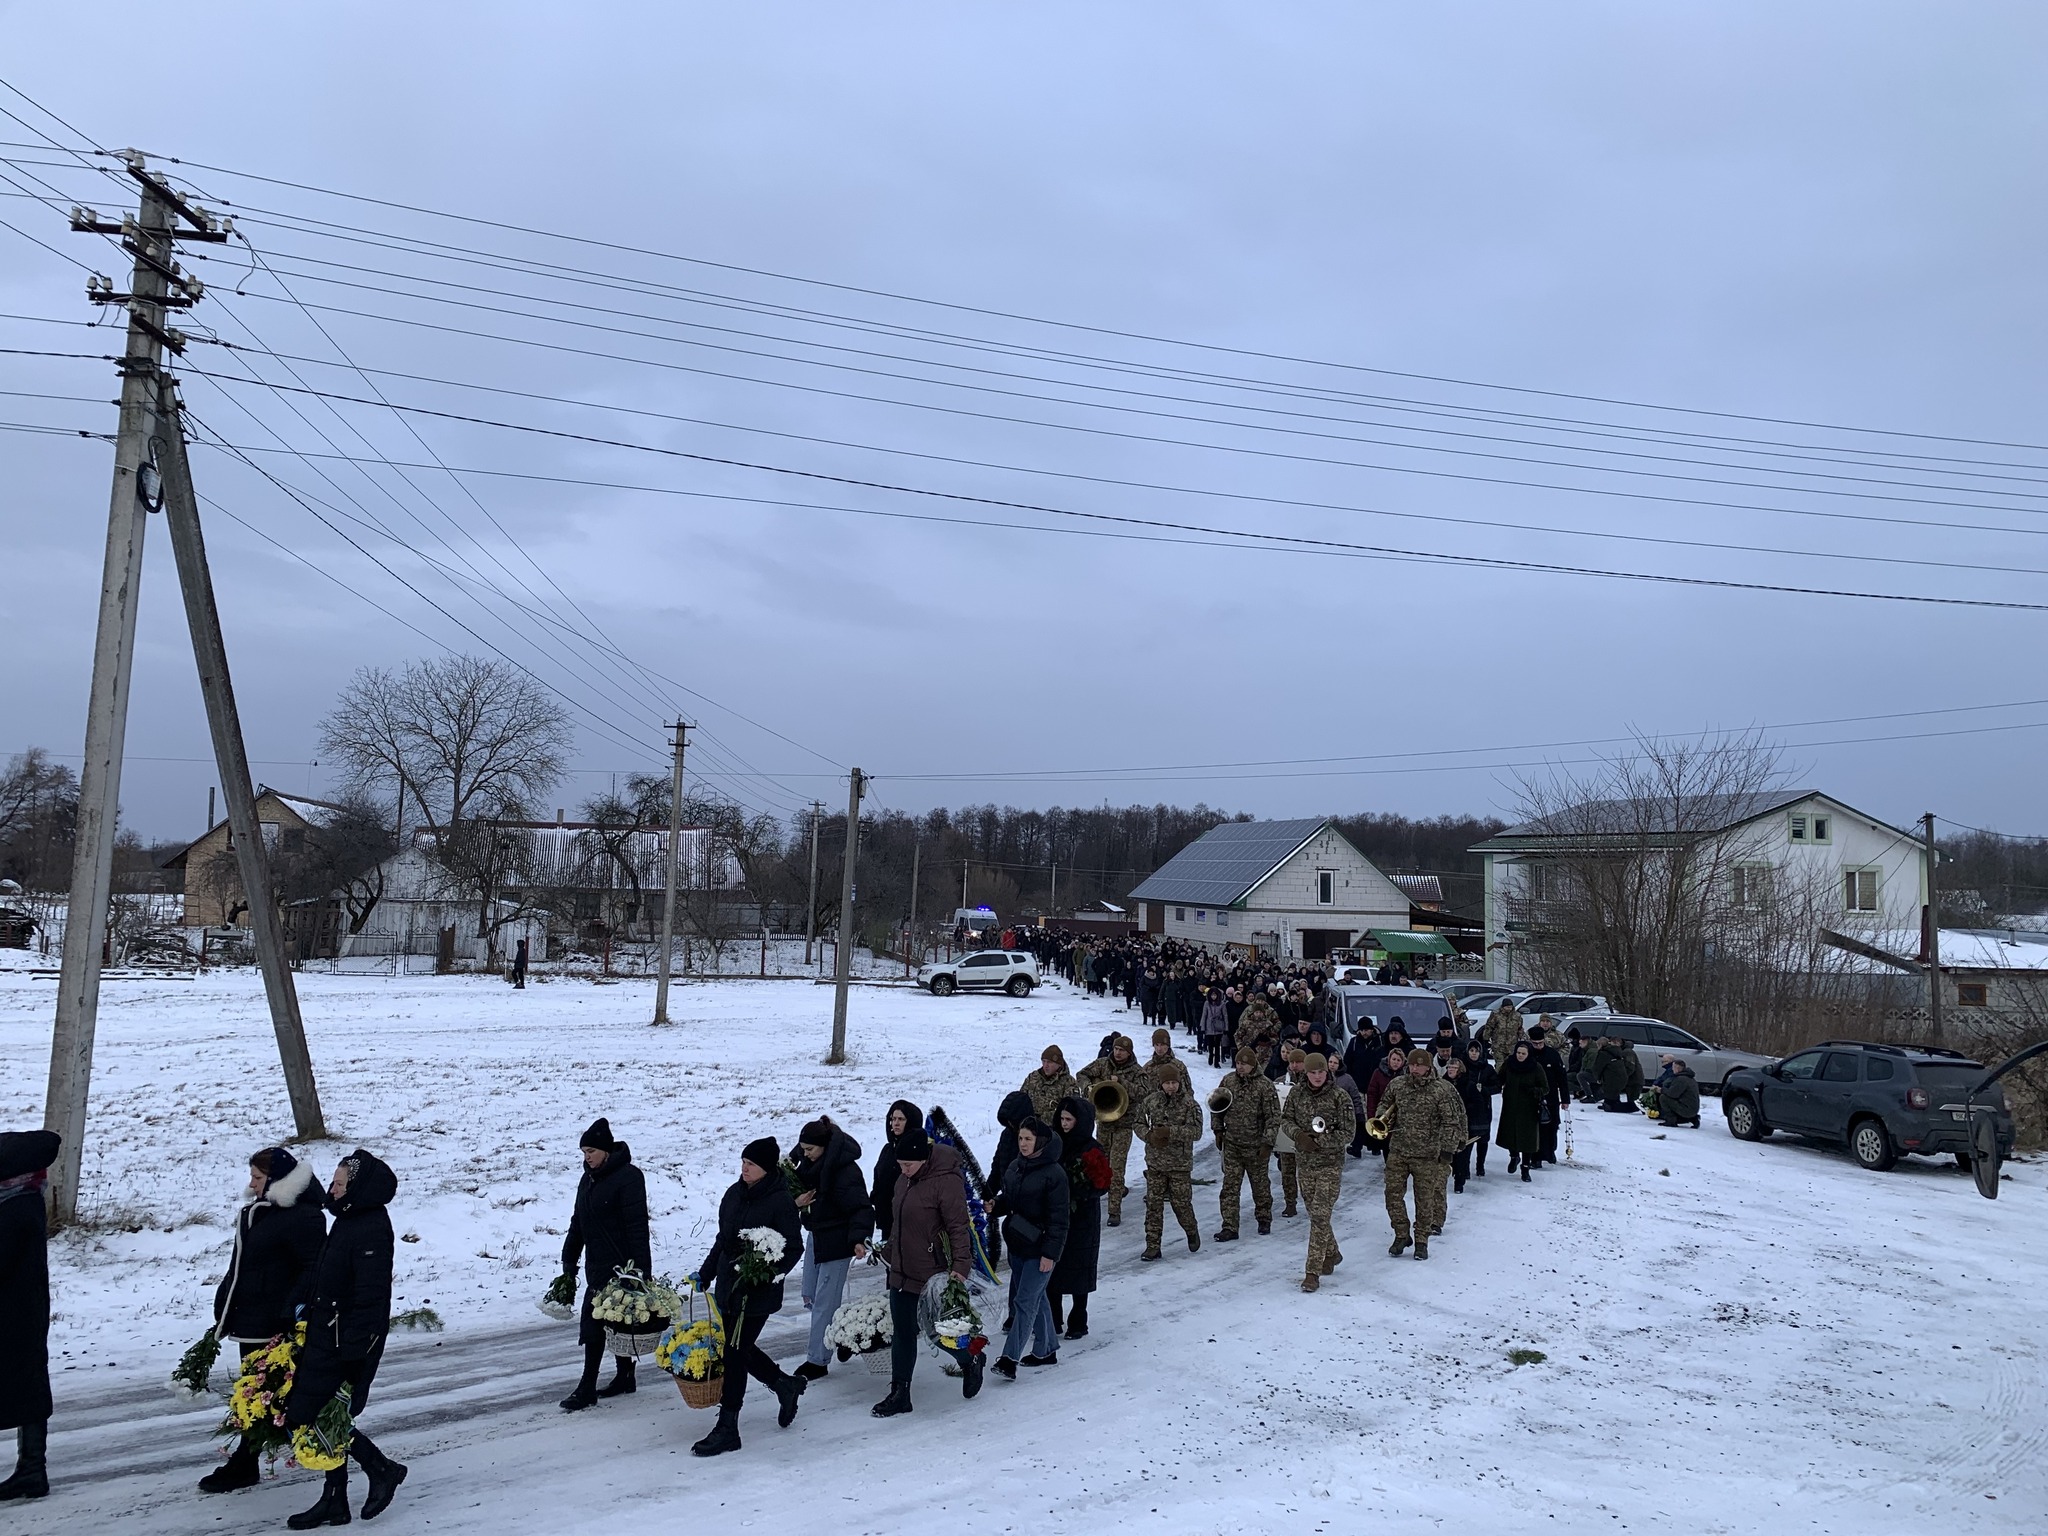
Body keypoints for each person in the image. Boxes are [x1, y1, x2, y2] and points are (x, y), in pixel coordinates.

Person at [284, 1150, 406, 1530]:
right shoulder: (349, 1219)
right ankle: (335, 1500)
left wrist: (355, 1355)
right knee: (317, 1413)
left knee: (320, 1414)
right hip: (326, 1333)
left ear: (357, 1188)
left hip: (344, 1343)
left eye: (338, 1184)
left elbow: (370, 1299)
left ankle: (381, 1468)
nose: (331, 1190)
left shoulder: (368, 1227)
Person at [202, 1147, 325, 1493]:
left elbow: (313, 1269)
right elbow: (244, 1265)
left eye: (258, 1177)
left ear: (277, 1180)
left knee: (263, 1395)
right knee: (255, 1394)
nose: (252, 1184)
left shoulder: (303, 1217)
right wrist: (226, 1299)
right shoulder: (264, 1213)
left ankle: (247, 1462)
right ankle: (247, 1460)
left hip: (273, 1323)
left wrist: (289, 1313)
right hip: (252, 1318)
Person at [689, 1137, 806, 1457]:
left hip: (757, 1293)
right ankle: (785, 1385)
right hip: (730, 1287)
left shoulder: (780, 1202)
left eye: (751, 1164)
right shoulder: (733, 1194)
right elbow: (723, 1240)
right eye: (743, 1162)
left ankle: (728, 1427)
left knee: (735, 1352)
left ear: (766, 1169)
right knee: (738, 1347)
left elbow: (793, 1248)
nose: (744, 1168)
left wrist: (765, 1273)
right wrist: (707, 1272)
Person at [873, 1125, 986, 1417]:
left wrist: (960, 1266)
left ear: (923, 1159)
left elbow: (958, 1226)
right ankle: (900, 1393)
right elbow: (900, 1223)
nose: (904, 1170)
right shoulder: (904, 1180)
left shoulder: (946, 1182)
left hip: (932, 1273)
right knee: (903, 1333)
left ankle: (970, 1358)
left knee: (940, 1332)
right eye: (900, 1165)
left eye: (908, 1164)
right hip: (901, 1268)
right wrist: (886, 1251)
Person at [559, 1118, 652, 1412]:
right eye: (584, 1152)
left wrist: (640, 1273)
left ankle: (587, 1386)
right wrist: (568, 1259)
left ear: (606, 1151)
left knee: (597, 1324)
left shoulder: (629, 1178)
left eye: (591, 1151)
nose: (587, 1157)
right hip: (596, 1264)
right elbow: (578, 1222)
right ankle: (625, 1376)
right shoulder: (587, 1180)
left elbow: (638, 1228)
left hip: (622, 1265)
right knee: (610, 1321)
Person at [0, 1130, 58, 1504]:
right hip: (20, 1309)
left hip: (14, 1313)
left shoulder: (17, 1208)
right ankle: (31, 1469)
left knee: (25, 1387)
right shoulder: (21, 1199)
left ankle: (32, 1470)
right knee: (27, 1386)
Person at [792, 1117, 874, 1381]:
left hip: (838, 1242)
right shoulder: (807, 1164)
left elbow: (861, 1207)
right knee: (811, 1296)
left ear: (825, 1146)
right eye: (803, 1149)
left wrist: (859, 1239)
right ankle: (844, 1338)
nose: (805, 1154)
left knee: (825, 1303)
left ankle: (817, 1361)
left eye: (809, 1150)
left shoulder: (845, 1170)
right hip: (817, 1237)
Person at [990, 1116, 1069, 1379]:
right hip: (1017, 1245)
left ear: (1041, 1142)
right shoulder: (1016, 1167)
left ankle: (1009, 1359)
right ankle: (1046, 1349)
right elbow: (1011, 1201)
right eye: (1021, 1138)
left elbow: (1059, 1220)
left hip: (1040, 1250)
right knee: (1036, 1299)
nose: (1023, 1144)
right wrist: (995, 1206)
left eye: (1028, 1139)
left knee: (1024, 1302)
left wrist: (1050, 1254)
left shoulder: (1055, 1174)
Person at [1375, 1051, 1465, 1260]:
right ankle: (1401, 1234)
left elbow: (1451, 1122)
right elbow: (1384, 1104)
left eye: (1419, 1065)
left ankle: (1422, 1240)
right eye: (1412, 1065)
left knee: (1424, 1200)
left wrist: (1447, 1150)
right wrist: (1382, 1118)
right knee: (1392, 1196)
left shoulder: (1441, 1090)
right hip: (1398, 1151)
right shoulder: (1398, 1084)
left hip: (1427, 1155)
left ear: (1428, 1067)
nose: (1415, 1069)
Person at [1282, 1053, 1356, 1291]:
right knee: (1315, 1214)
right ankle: (1332, 1253)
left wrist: (1322, 1141)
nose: (1316, 1077)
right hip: (1305, 1164)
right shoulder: (1296, 1093)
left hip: (1330, 1165)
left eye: (1321, 1072)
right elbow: (1285, 1120)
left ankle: (1312, 1272)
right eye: (1312, 1072)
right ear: (1306, 1073)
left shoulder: (1339, 1097)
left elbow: (1349, 1133)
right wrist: (1299, 1136)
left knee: (1321, 1215)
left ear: (1328, 1072)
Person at [1048, 1096, 1107, 1339]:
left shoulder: (1091, 1148)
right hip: (1056, 1215)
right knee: (1052, 1267)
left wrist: (1078, 1189)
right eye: (1061, 1118)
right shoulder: (1053, 1143)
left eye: (1069, 1119)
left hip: (1083, 1217)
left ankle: (1078, 1319)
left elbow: (1102, 1183)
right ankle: (1053, 1319)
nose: (1064, 1124)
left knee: (1080, 1269)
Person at [1076, 1037, 1150, 1228]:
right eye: (1116, 1049)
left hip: (1124, 1125)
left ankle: (1114, 1211)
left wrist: (1123, 1082)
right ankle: (1098, 1203)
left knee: (1116, 1169)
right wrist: (1088, 1088)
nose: (1117, 1053)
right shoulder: (1102, 1064)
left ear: (1129, 1052)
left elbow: (1143, 1092)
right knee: (1099, 1166)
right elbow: (1081, 1074)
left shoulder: (1137, 1071)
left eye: (1122, 1050)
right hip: (1104, 1123)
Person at [1211, 1047, 1281, 1239]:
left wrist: (1267, 1143)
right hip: (1232, 1145)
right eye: (1238, 1063)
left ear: (1253, 1065)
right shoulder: (1228, 1081)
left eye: (1245, 1064)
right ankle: (1230, 1226)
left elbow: (1273, 1117)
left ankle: (1264, 1218)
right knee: (1229, 1188)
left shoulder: (1265, 1086)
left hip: (1256, 1147)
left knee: (1260, 1187)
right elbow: (1217, 1106)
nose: (1241, 1067)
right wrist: (1217, 1129)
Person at [1134, 1065, 1202, 1261]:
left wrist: (1171, 1132)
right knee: (1153, 1206)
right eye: (1167, 1083)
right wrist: (1148, 1136)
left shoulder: (1189, 1104)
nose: (1171, 1087)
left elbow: (1196, 1131)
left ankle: (1191, 1229)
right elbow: (1138, 1122)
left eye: (1174, 1083)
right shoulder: (1151, 1102)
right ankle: (1153, 1246)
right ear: (1160, 1084)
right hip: (1155, 1163)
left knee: (1181, 1204)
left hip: (1179, 1165)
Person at [870, 1099, 923, 1246]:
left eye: (901, 1119)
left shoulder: (919, 1150)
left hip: (909, 1219)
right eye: (893, 1119)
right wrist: (875, 1198)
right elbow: (879, 1177)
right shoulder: (888, 1149)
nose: (896, 1123)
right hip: (887, 1219)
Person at [1497, 1042, 1548, 1180]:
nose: (1520, 1056)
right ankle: (1514, 1156)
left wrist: (1534, 1091)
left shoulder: (1536, 1067)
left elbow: (1545, 1087)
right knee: (1509, 1134)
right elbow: (1499, 1079)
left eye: (1523, 1054)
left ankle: (1525, 1168)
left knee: (1527, 1139)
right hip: (1510, 1105)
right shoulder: (1509, 1064)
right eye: (1518, 1053)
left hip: (1529, 1108)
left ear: (1528, 1054)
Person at [1454, 1042, 1499, 1184]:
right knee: (1467, 1139)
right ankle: (1464, 1168)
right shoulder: (1463, 1067)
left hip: (1483, 1107)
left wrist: (1484, 1089)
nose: (1474, 1053)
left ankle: (1480, 1165)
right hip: (1466, 1108)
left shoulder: (1487, 1069)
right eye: (1471, 1050)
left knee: (1483, 1138)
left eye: (1476, 1051)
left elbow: (1497, 1086)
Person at [1272, 1049, 1307, 1216]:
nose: (1294, 1065)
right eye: (1292, 1062)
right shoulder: (1280, 1082)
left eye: (1298, 1062)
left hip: (1306, 1134)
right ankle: (1290, 1203)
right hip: (1287, 1134)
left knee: (1308, 1173)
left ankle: (1311, 1202)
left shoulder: (1313, 1080)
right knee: (1287, 1172)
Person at [1022, 1046, 1078, 1124]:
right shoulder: (1033, 1077)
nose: (1046, 1065)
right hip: (1029, 1127)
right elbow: (1021, 1100)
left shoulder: (1069, 1083)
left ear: (1059, 1064)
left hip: (1053, 1130)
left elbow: (1068, 1111)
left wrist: (1041, 1120)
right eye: (1043, 1061)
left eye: (1049, 1062)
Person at [1660, 1059, 1703, 1128]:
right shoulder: (1690, 1078)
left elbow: (1673, 1094)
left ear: (1677, 1068)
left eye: (1673, 1067)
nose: (1672, 1069)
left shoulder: (1681, 1079)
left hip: (1687, 1109)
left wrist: (1661, 1090)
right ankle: (1693, 1118)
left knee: (1663, 1098)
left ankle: (1671, 1120)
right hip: (1692, 1109)